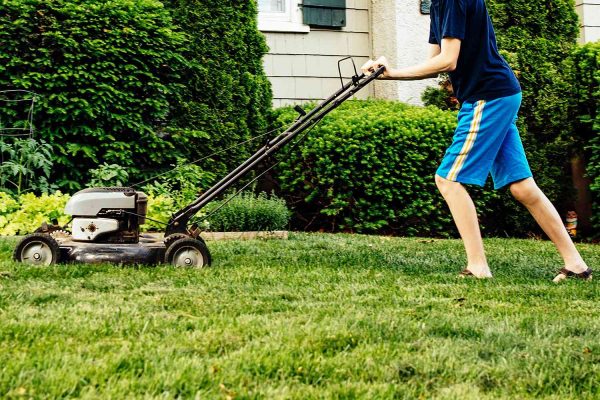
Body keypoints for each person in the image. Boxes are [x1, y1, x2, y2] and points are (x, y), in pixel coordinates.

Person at [360, 0, 591, 282]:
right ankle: (577, 265)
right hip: (496, 93)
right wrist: (388, 71)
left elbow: (449, 61)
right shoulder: (439, 5)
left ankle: (478, 267)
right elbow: (435, 65)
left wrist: (391, 73)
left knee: (448, 179)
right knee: (521, 187)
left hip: (488, 97)